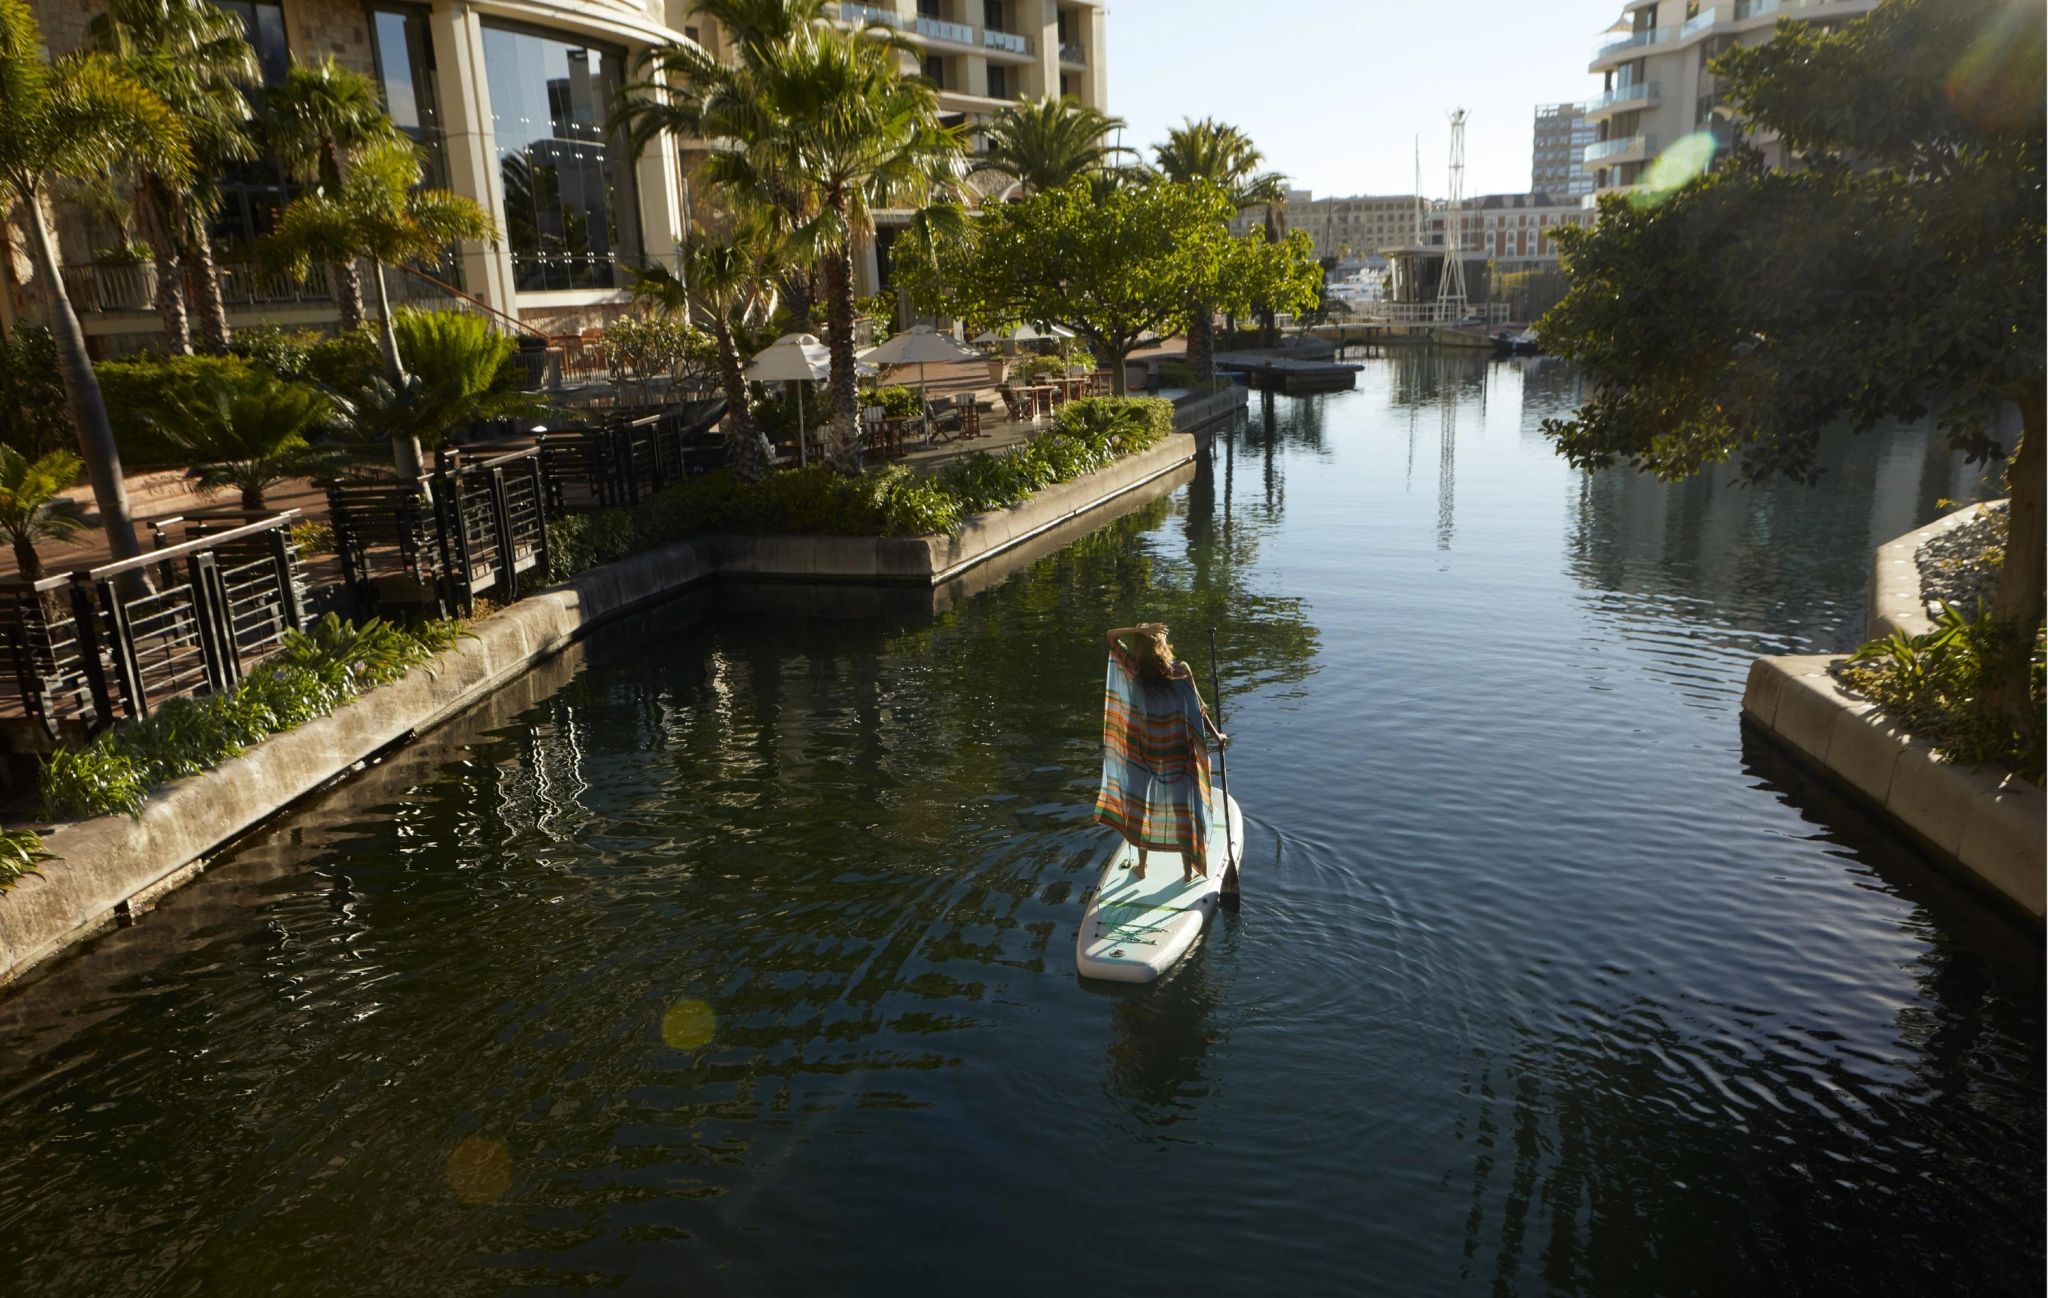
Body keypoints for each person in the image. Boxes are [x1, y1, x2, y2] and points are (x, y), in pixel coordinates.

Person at [1094, 622, 1224, 883]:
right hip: (1177, 749)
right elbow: (1198, 707)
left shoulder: (1134, 669)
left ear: (1139, 646)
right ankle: (1188, 871)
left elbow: (1109, 636)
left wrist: (1137, 630)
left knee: (1140, 806)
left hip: (1143, 750)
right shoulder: (1181, 670)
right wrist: (1215, 735)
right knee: (1183, 809)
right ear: (1162, 645)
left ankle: (1142, 867)